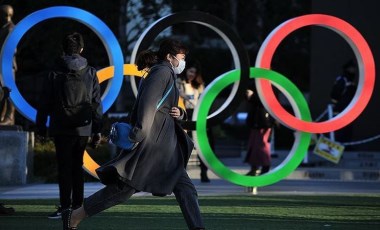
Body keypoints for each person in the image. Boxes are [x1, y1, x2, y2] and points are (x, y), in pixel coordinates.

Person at [62, 39, 205, 230]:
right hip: (151, 145)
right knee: (123, 190)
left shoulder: (165, 72)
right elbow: (147, 106)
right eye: (182, 57)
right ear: (170, 57)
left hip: (164, 148)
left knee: (185, 188)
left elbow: (165, 107)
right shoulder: (162, 73)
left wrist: (181, 112)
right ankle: (76, 216)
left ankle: (198, 228)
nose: (184, 61)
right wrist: (138, 135)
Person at [36, 32, 103, 219]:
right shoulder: (90, 72)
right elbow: (96, 103)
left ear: (63, 49)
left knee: (64, 168)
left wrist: (41, 128)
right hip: (83, 127)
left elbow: (44, 102)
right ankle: (78, 207)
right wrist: (97, 129)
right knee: (77, 166)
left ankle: (65, 207)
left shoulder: (54, 72)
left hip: (60, 125)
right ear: (81, 49)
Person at [176, 59, 212, 182]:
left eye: (194, 73)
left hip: (197, 115)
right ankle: (180, 172)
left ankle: (204, 172)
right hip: (184, 115)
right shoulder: (178, 82)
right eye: (190, 71)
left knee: (202, 144)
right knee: (183, 144)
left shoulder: (200, 85)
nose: (192, 74)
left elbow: (204, 100)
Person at [244, 82, 274, 177]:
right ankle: (254, 168)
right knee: (254, 146)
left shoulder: (268, 86)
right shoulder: (258, 84)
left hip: (263, 122)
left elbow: (266, 101)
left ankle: (264, 167)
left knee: (261, 146)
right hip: (257, 121)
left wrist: (252, 96)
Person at [330, 60, 357, 144]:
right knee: (339, 133)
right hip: (340, 111)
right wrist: (337, 106)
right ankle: (338, 152)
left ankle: (346, 148)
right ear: (347, 69)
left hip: (349, 110)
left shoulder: (351, 81)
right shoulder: (343, 80)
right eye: (352, 68)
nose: (354, 70)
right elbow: (334, 95)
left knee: (347, 132)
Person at [0, 4, 17, 126]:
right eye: (5, 15)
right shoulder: (3, 28)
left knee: (9, 91)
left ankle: (9, 117)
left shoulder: (11, 28)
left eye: (9, 15)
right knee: (3, 91)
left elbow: (12, 48)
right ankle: (3, 116)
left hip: (7, 64)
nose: (7, 18)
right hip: (2, 64)